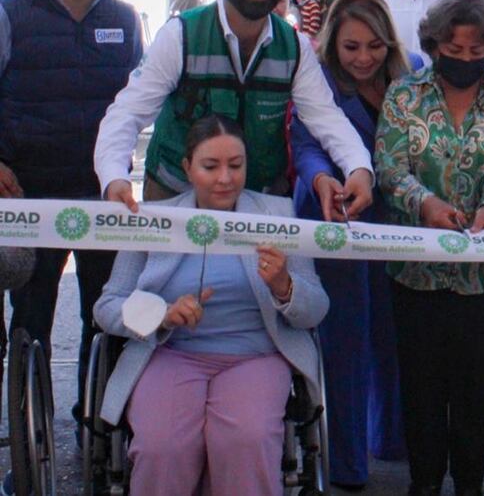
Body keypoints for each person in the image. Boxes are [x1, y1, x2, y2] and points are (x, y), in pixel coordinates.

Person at [93, 115, 329, 496]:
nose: (225, 178)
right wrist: (162, 314)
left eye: (236, 166)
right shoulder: (156, 219)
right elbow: (107, 307)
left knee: (244, 442)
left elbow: (316, 309)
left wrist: (284, 287)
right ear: (187, 168)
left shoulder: (278, 216)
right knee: (161, 446)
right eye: (211, 166)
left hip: (255, 355)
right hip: (172, 352)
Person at [94, 0, 375, 220]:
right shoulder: (181, 34)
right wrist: (114, 176)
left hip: (258, 198)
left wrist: (359, 167)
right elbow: (129, 111)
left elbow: (324, 116)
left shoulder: (293, 45)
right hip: (177, 194)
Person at [375, 0, 484, 496]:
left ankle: (469, 484)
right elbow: (390, 168)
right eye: (453, 51)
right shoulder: (404, 94)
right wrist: (425, 205)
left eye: (475, 53)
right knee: (421, 391)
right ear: (434, 44)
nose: (464, 61)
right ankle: (423, 484)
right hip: (416, 273)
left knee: (476, 393)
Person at [0, 0, 143, 437]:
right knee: (31, 322)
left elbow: (136, 103)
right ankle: (27, 434)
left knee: (103, 316)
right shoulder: (11, 13)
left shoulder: (125, 20)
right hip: (28, 191)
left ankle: (97, 429)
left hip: (100, 193)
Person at [291, 0, 423, 490]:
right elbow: (306, 143)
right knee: (345, 340)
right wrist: (325, 181)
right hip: (333, 218)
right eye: (351, 47)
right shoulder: (316, 76)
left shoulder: (412, 72)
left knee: (393, 333)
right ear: (331, 44)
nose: (363, 57)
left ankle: (392, 438)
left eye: (373, 45)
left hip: (396, 223)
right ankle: (347, 464)